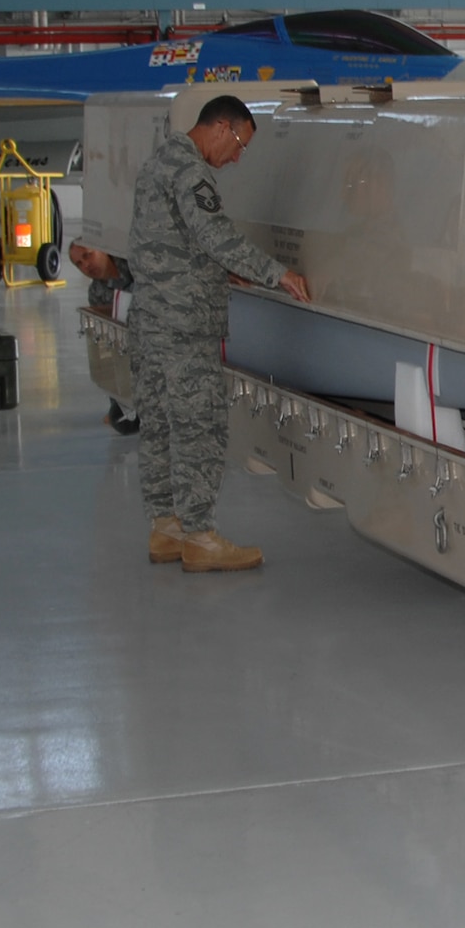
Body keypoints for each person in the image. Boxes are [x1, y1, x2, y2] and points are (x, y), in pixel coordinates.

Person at [127, 94, 310, 573]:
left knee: (160, 424)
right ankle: (201, 538)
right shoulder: (192, 173)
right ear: (220, 127)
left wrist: (215, 272)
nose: (237, 158)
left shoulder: (158, 163)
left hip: (149, 319)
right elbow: (215, 236)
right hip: (184, 326)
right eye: (239, 145)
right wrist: (277, 273)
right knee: (198, 428)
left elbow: (164, 243)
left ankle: (165, 527)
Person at [69, 241, 140, 434]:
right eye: (78, 264)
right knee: (123, 423)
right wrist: (117, 396)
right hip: (135, 354)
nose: (85, 266)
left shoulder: (134, 262)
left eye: (87, 256)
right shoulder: (97, 293)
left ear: (102, 250)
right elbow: (109, 345)